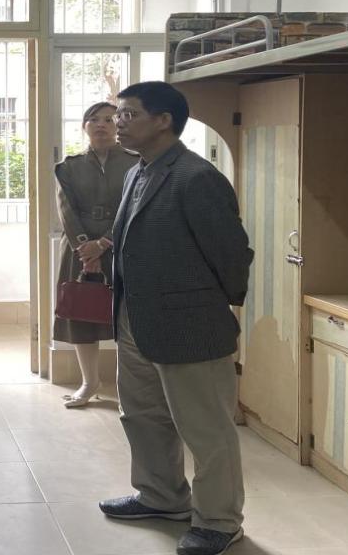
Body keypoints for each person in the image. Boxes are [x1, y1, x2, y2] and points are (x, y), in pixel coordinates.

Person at [99, 81, 253, 555]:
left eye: (128, 114)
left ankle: (219, 521)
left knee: (206, 429)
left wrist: (208, 306)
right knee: (142, 415)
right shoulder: (136, 172)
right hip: (135, 315)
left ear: (163, 120)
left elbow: (231, 254)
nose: (118, 123)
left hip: (190, 324)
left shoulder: (196, 177)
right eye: (118, 115)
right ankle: (161, 496)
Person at [54, 102, 139, 407]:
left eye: (108, 119)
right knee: (81, 314)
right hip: (78, 249)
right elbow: (65, 208)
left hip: (125, 245)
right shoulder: (68, 166)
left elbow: (135, 206)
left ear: (119, 125)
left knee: (128, 316)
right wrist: (85, 247)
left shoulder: (137, 163)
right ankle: (89, 383)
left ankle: (130, 388)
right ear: (84, 126)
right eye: (93, 119)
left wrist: (104, 243)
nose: (101, 124)